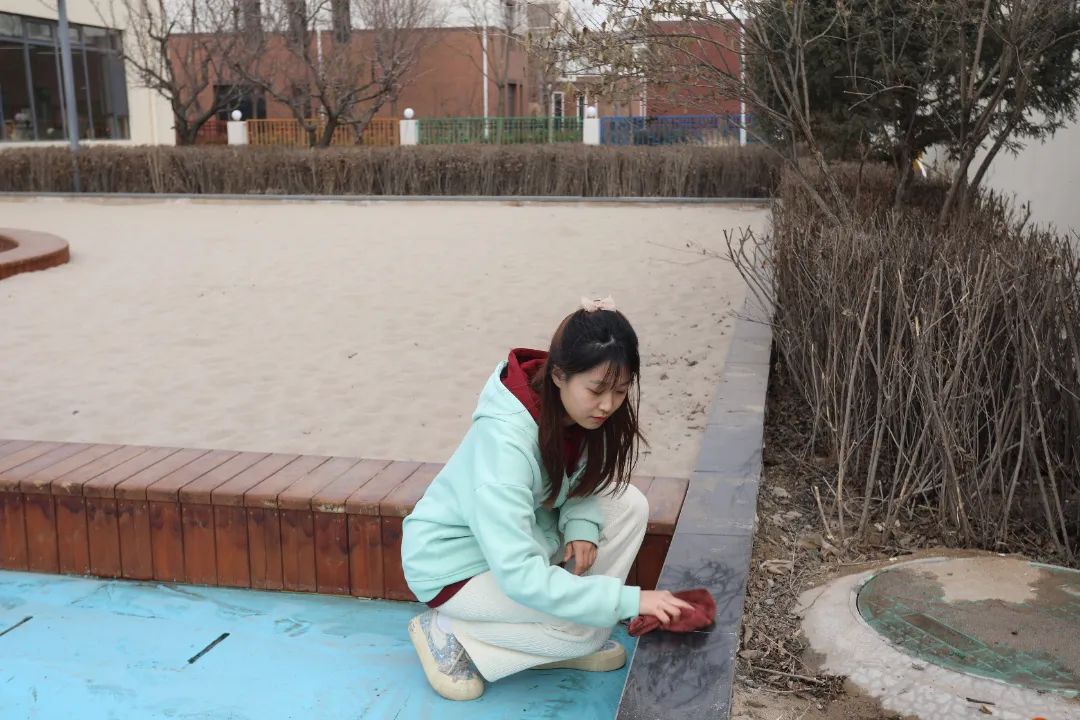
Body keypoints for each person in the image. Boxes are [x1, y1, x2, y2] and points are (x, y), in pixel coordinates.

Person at [401, 297, 694, 701]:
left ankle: (559, 637)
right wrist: (630, 600)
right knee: (584, 630)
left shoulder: (574, 412)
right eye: (597, 390)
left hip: (518, 544)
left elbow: (578, 477)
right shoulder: (504, 445)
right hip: (455, 567)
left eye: (621, 390)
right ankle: (449, 632)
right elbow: (519, 574)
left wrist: (582, 523)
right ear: (559, 375)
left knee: (628, 505)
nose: (608, 405)